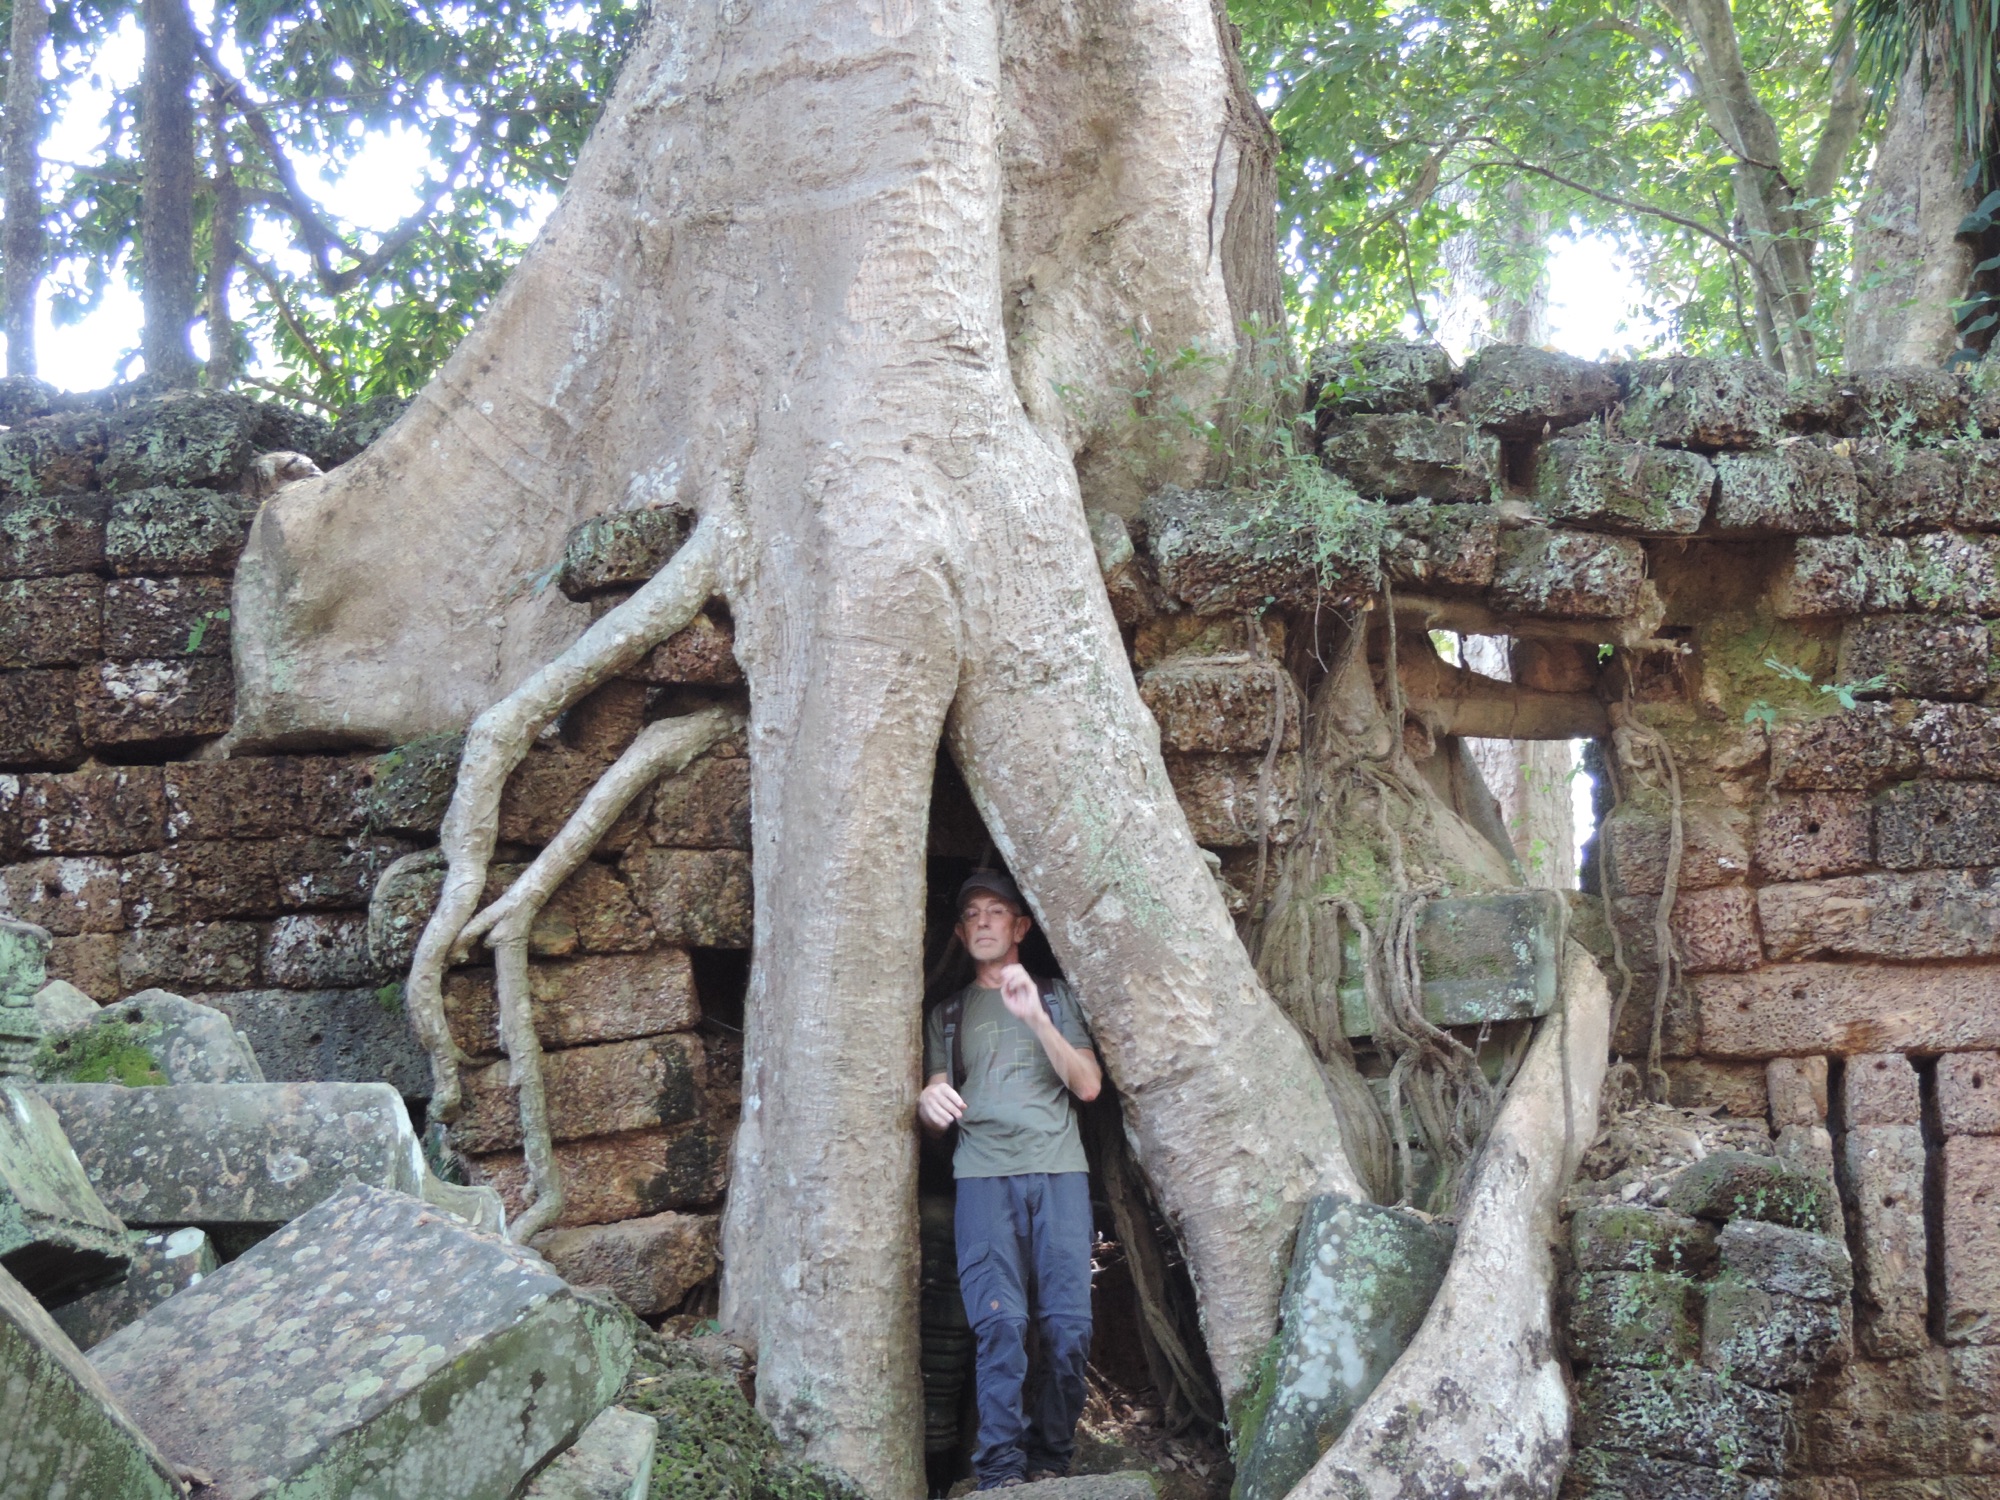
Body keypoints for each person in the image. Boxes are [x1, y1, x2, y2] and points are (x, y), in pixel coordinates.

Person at [919, 870, 1103, 1490]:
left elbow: (1087, 1085)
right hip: (982, 1179)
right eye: (971, 914)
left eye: (996, 912)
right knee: (998, 1324)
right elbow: (936, 1109)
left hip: (1059, 1175)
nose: (983, 923)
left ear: (1021, 927)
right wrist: (928, 1102)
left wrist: (1036, 1018)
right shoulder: (945, 1014)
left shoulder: (1054, 996)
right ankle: (999, 1470)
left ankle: (1052, 1458)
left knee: (1068, 1326)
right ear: (959, 931)